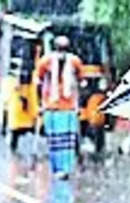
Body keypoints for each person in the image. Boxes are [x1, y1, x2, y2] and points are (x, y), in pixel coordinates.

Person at [34, 35, 83, 179]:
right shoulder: (46, 61)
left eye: (64, 49)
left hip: (69, 107)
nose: (62, 52)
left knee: (68, 141)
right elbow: (38, 83)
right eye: (60, 48)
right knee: (55, 141)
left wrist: (78, 104)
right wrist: (39, 104)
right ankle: (57, 169)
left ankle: (66, 169)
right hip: (51, 107)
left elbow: (81, 83)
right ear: (55, 48)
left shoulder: (75, 62)